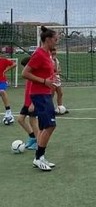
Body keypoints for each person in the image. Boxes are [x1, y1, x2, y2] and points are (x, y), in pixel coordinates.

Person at [22, 26, 59, 171]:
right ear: (48, 39)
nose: (56, 42)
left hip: (45, 93)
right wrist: (44, 82)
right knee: (50, 125)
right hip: (39, 94)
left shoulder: (47, 54)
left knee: (46, 126)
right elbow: (25, 73)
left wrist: (51, 78)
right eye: (55, 40)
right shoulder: (38, 54)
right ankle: (38, 158)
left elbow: (44, 73)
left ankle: (40, 157)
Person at [18, 56, 39, 150]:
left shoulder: (34, 76)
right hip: (27, 103)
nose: (23, 69)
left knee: (32, 122)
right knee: (20, 120)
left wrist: (33, 104)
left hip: (33, 103)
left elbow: (36, 91)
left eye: (24, 66)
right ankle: (32, 136)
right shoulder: (28, 75)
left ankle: (39, 143)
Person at [0, 55, 17, 125]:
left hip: (2, 81)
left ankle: (8, 111)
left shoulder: (3, 60)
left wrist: (6, 70)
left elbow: (14, 64)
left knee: (2, 91)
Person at [51, 47, 68, 114]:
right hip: (52, 78)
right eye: (52, 51)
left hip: (57, 78)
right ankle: (50, 109)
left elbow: (59, 69)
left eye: (55, 50)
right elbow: (54, 70)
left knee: (60, 93)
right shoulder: (50, 59)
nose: (54, 52)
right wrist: (55, 72)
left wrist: (58, 72)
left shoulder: (56, 59)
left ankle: (60, 107)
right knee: (51, 94)